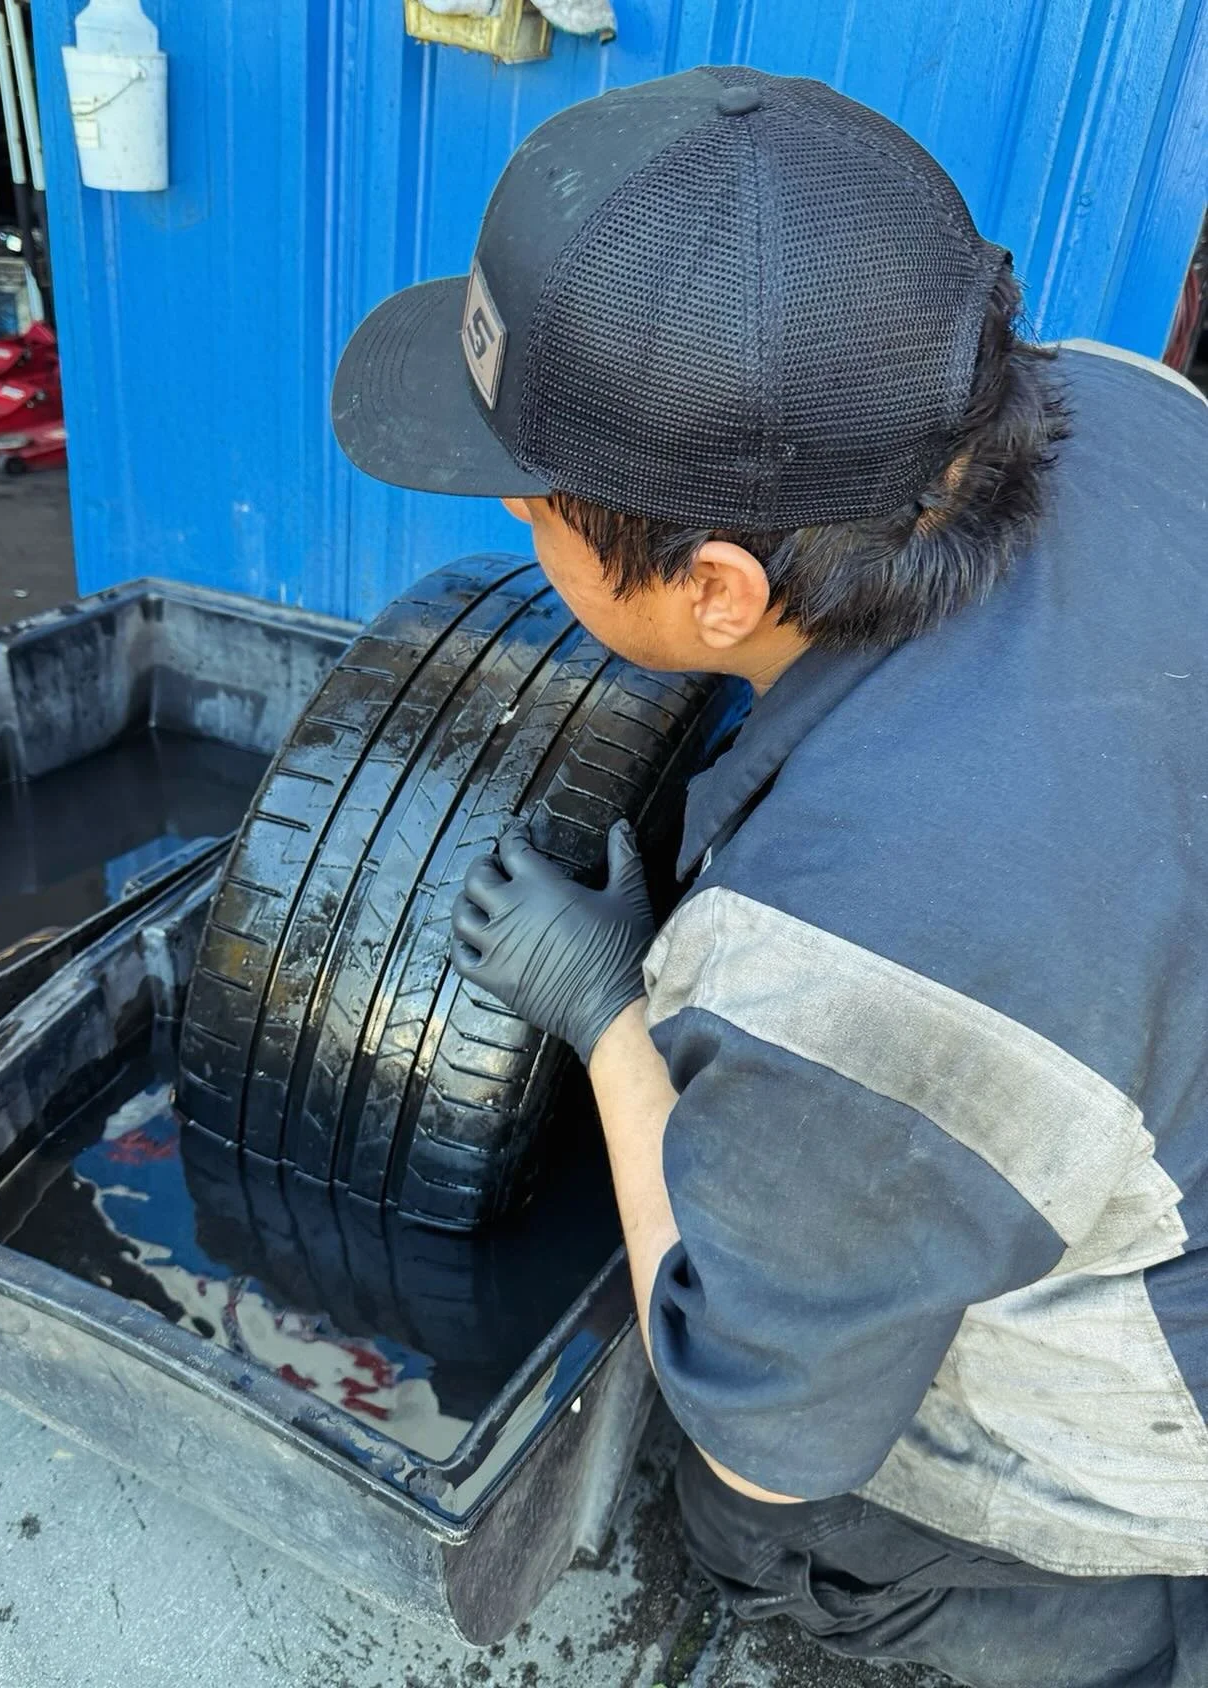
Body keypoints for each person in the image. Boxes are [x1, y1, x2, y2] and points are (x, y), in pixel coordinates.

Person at [329, 65, 1208, 1688]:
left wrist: (610, 1019)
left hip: (1172, 1403)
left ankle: (1079, 1614)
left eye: (533, 503)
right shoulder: (1118, 398)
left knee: (747, 1505)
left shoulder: (879, 967)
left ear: (721, 590)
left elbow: (765, 1435)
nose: (513, 516)